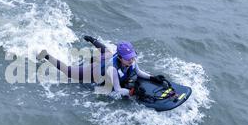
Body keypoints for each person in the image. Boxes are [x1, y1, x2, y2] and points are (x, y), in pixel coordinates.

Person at [36, 36, 166, 98]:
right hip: (93, 72)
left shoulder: (131, 60)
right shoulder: (113, 69)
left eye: (132, 57)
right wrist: (132, 92)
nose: (132, 60)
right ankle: (46, 55)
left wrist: (153, 78)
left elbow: (139, 72)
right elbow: (117, 89)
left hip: (105, 59)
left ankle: (92, 40)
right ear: (120, 57)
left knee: (107, 52)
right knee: (69, 72)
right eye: (128, 58)